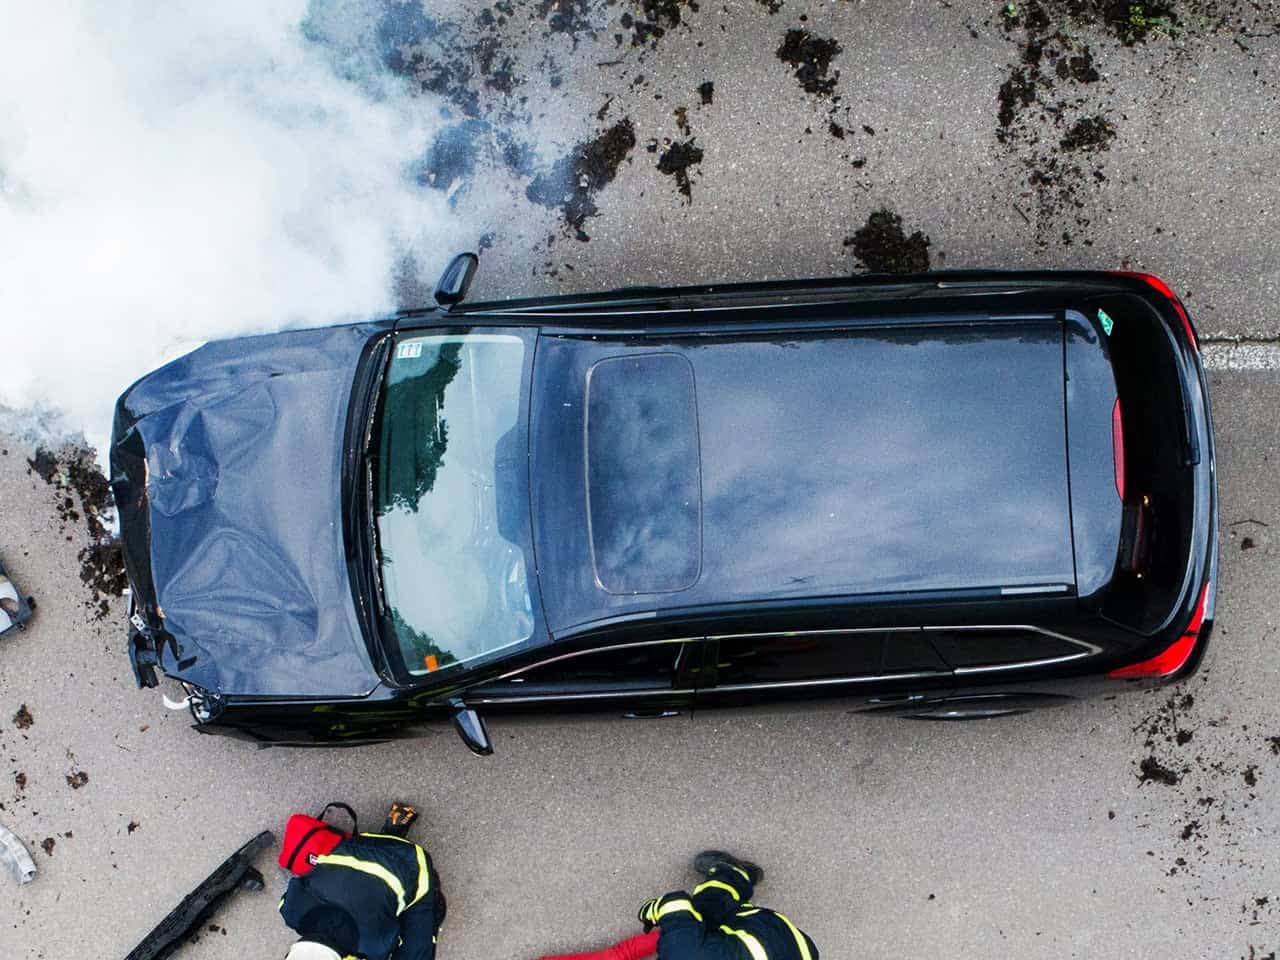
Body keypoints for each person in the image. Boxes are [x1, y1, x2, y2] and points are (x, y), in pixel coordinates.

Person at [280, 803, 444, 960]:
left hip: (409, 860)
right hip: (352, 846)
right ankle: (390, 835)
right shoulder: (291, 912)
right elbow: (294, 888)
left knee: (420, 925)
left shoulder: (374, 946)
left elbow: (418, 948)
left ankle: (433, 900)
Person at [636, 851, 818, 960]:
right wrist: (651, 911)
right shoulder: (682, 953)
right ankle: (734, 874)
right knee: (704, 912)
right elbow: (675, 905)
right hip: (774, 933)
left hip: (805, 953)